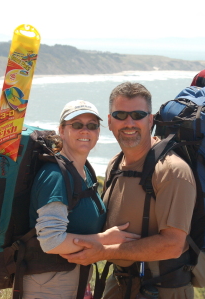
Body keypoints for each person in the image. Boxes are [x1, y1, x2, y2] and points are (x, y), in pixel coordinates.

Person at [61, 83, 197, 299]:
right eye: (121, 115)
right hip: (119, 284)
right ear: (110, 121)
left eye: (138, 114)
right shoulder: (115, 164)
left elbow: (172, 245)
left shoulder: (171, 171)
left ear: (150, 120)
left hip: (162, 290)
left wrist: (103, 252)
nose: (129, 123)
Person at [23, 100, 140, 299]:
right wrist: (104, 241)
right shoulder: (56, 176)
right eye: (76, 125)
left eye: (92, 125)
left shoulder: (84, 170)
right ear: (61, 130)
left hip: (72, 278)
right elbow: (51, 241)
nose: (85, 130)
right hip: (49, 284)